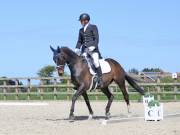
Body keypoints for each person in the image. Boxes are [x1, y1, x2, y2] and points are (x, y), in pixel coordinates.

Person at [75, 13, 103, 87]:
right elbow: (79, 41)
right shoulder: (80, 30)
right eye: (80, 21)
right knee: (79, 62)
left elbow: (96, 39)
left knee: (96, 62)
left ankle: (100, 79)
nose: (80, 22)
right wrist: (77, 48)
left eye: (81, 21)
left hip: (93, 50)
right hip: (84, 51)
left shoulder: (93, 27)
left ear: (86, 21)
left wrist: (93, 46)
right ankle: (79, 81)